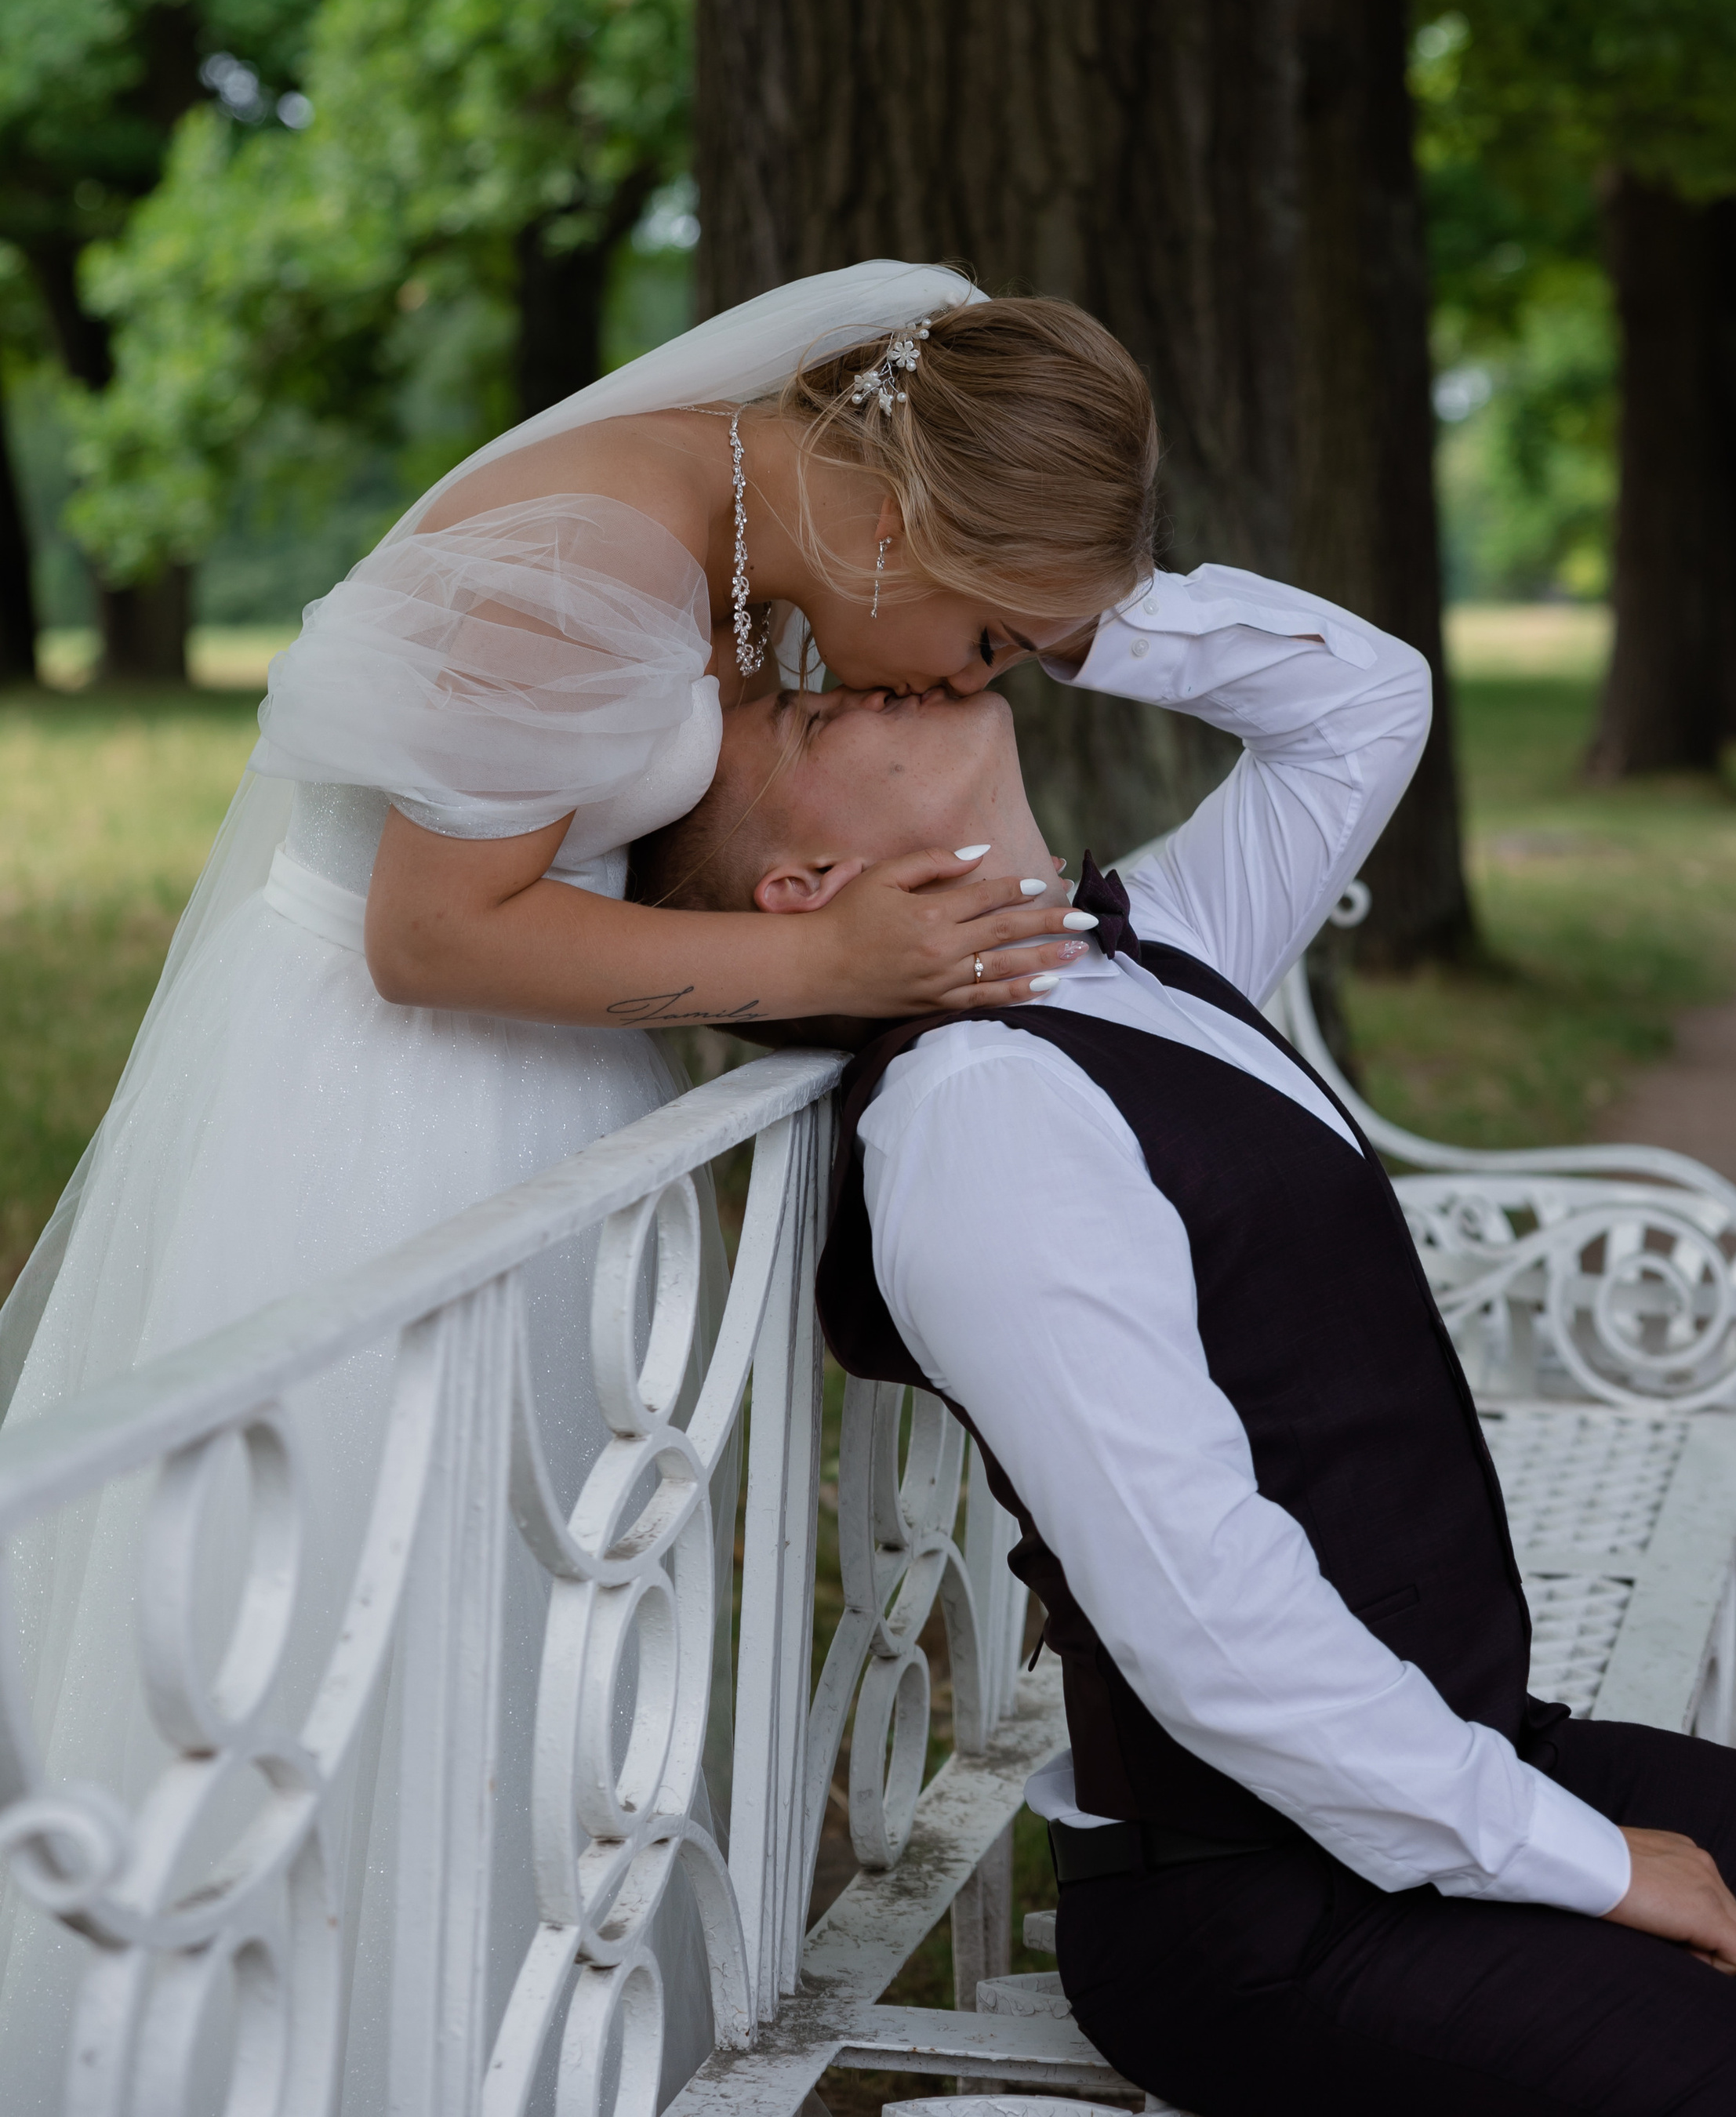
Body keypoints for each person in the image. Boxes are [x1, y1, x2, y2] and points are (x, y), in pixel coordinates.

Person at [630, 561, 1736, 2116]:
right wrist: (1581, 1863)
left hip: (1461, 1761)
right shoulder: (977, 1114)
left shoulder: (1140, 946)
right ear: (802, 893)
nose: (886, 677)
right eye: (821, 711)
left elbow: (1359, 699)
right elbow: (1204, 1622)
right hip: (1261, 1908)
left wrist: (1022, 589)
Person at [0, 261, 1156, 2108]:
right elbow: (428, 935)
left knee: (512, 1653)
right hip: (379, 1122)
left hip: (521, 1097)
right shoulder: (596, 557)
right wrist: (835, 970)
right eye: (991, 637)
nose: (966, 683)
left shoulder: (715, 536)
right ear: (909, 524)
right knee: (354, 1638)